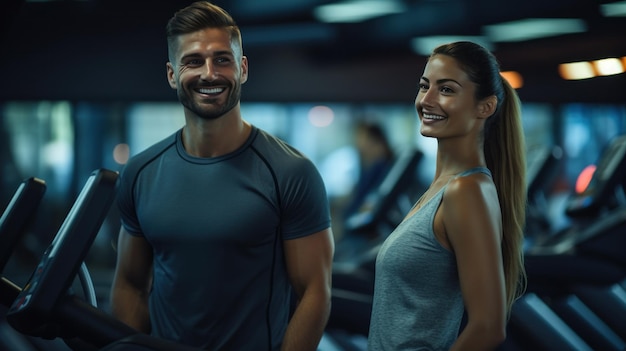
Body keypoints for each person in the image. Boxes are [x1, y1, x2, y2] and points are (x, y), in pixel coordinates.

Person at [109, 2, 334, 350]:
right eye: (193, 61)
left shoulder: (290, 172)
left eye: (222, 59)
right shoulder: (140, 172)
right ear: (172, 75)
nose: (209, 73)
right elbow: (129, 283)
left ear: (242, 68)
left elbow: (314, 293)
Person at [367, 41, 527, 350]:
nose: (427, 100)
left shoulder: (467, 191)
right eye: (424, 86)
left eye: (447, 90)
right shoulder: (440, 188)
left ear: (485, 106)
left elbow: (488, 327)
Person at [343, 121, 394, 221]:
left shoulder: (381, 168)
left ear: (376, 142)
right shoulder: (367, 168)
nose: (358, 143)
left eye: (362, 138)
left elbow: (370, 202)